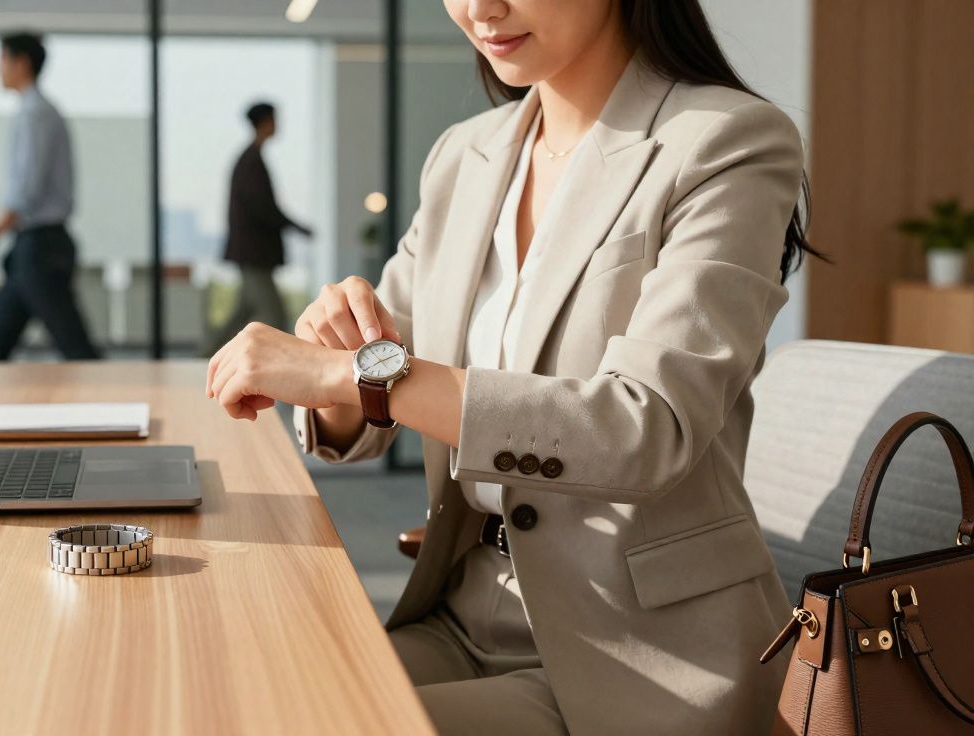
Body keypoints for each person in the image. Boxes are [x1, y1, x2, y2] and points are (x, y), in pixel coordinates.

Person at [205, 1, 822, 734]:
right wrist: (336, 354)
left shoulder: (724, 140)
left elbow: (646, 425)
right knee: (237, 699)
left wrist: (354, 375)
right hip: (461, 614)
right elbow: (371, 401)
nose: (478, 8)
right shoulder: (465, 154)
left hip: (640, 655)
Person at [0, 31, 98, 361]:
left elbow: (24, 192)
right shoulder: (37, 111)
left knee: (75, 347)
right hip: (34, 247)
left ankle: (121, 393)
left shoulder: (34, 113)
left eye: (1, 61)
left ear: (21, 63)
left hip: (41, 248)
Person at [203, 102, 312, 355]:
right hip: (254, 254)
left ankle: (206, 355)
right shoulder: (251, 162)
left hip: (252, 254)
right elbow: (264, 208)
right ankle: (215, 357)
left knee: (243, 313)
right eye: (274, 119)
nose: (277, 125)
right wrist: (296, 227)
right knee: (274, 315)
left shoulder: (251, 159)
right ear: (264, 122)